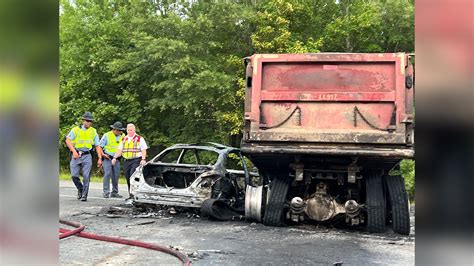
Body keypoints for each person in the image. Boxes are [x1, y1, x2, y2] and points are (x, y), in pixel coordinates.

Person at [65, 111, 101, 201]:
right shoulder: (75, 130)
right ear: (83, 121)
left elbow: (97, 145)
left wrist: (100, 158)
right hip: (76, 155)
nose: (89, 123)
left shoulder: (93, 131)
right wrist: (73, 151)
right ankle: (80, 189)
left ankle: (84, 195)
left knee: (86, 176)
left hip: (87, 156)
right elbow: (68, 140)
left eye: (90, 121)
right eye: (87, 121)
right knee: (74, 175)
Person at [112, 123, 148, 199]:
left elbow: (143, 150)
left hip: (136, 160)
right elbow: (119, 150)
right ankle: (130, 194)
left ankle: (134, 195)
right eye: (128, 130)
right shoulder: (124, 139)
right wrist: (114, 158)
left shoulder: (139, 138)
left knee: (133, 177)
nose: (129, 131)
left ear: (134, 130)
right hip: (126, 161)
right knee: (128, 177)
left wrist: (143, 159)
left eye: (131, 130)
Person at [99, 121, 125, 198]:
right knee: (107, 174)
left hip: (117, 159)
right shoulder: (106, 135)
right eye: (118, 130)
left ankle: (114, 192)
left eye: (121, 130)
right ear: (114, 129)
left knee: (116, 175)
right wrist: (103, 155)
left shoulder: (123, 136)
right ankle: (106, 192)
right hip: (108, 158)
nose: (120, 132)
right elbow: (100, 146)